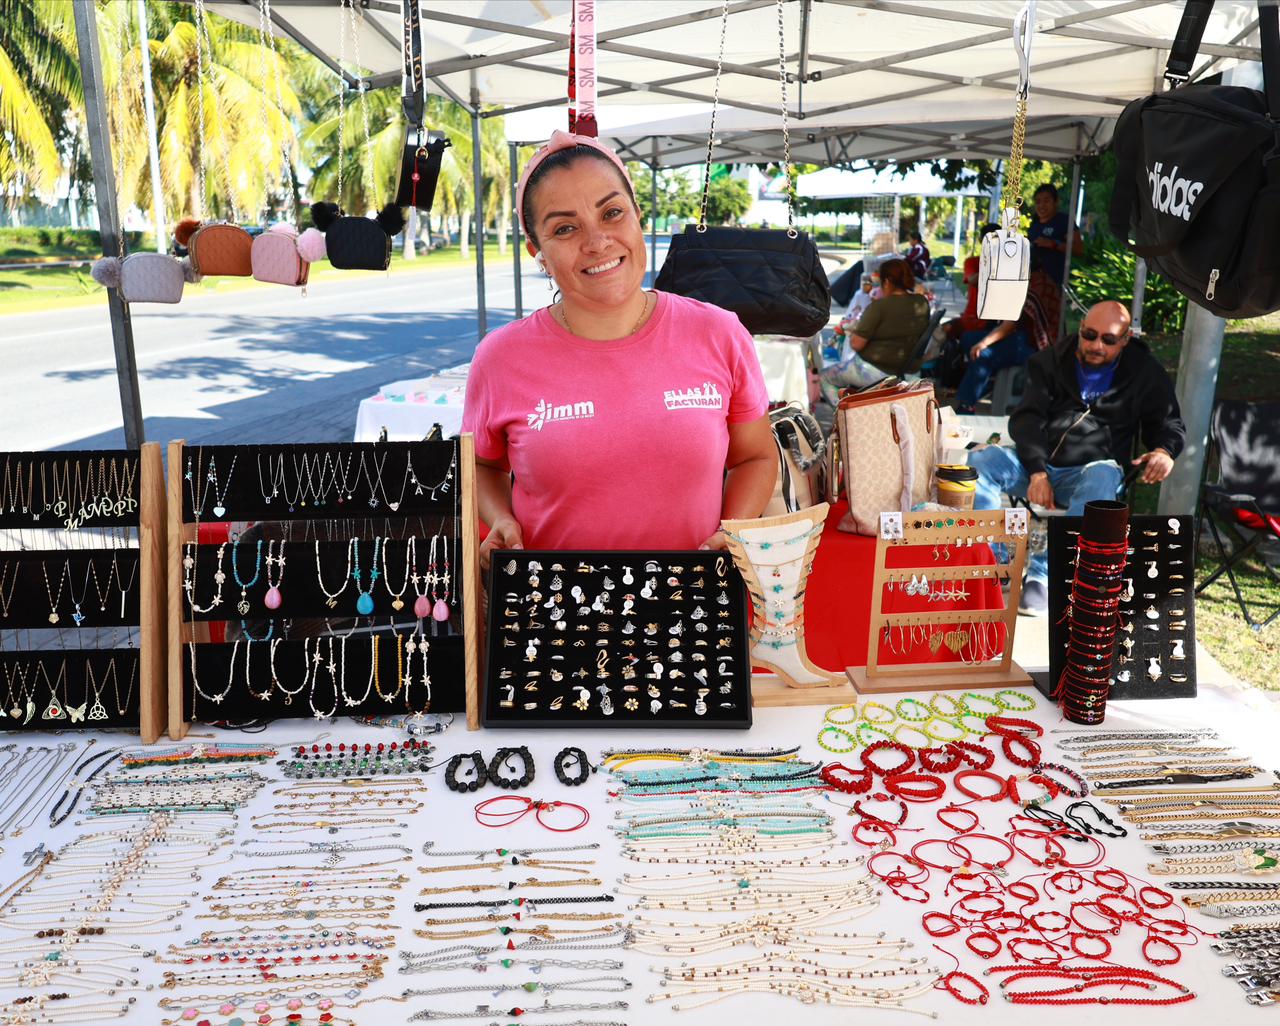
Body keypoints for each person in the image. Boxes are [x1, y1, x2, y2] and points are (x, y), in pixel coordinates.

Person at [461, 131, 777, 566]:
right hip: (553, 600)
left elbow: (755, 457)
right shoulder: (500, 357)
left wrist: (733, 529)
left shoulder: (719, 332)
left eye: (612, 213)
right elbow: (481, 466)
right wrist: (501, 518)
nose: (597, 242)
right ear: (539, 253)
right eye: (565, 228)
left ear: (637, 216)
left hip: (698, 599)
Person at [967, 300, 1185, 616]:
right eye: (1089, 335)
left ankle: (1046, 575)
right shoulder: (1050, 360)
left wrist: (1165, 451)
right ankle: (992, 563)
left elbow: (1168, 422)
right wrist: (1038, 471)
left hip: (1091, 474)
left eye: (1108, 339)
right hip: (1035, 466)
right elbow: (1027, 419)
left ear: (1125, 339)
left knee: (1102, 475)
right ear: (1080, 329)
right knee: (981, 462)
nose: (1096, 345)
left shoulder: (1144, 371)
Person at [952, 268, 1062, 412]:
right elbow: (974, 281)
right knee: (968, 338)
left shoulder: (1036, 287)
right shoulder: (1024, 279)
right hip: (1019, 336)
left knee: (983, 355)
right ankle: (983, 383)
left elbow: (1010, 325)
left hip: (1035, 345)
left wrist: (984, 343)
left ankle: (966, 406)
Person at [844, 258, 930, 376]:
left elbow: (856, 344)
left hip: (878, 369)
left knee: (824, 377)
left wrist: (851, 332)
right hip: (910, 367)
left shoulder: (879, 306)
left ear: (887, 282)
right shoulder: (922, 302)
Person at [1028, 183, 1083, 289]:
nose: (1042, 205)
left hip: (1056, 284)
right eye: (1038, 202)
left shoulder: (1064, 221)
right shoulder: (1034, 224)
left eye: (1046, 201)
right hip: (1034, 283)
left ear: (1056, 202)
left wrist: (1053, 244)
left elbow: (1079, 249)